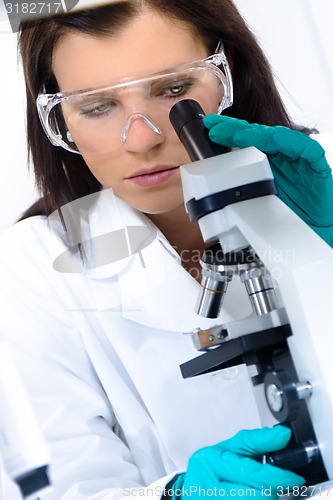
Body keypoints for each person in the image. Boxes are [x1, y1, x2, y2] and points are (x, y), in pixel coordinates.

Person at [0, 0, 332, 498]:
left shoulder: (317, 190)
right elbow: (61, 486)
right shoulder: (31, 268)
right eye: (96, 106)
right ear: (59, 118)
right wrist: (174, 494)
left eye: (175, 90)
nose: (140, 140)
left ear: (229, 76)